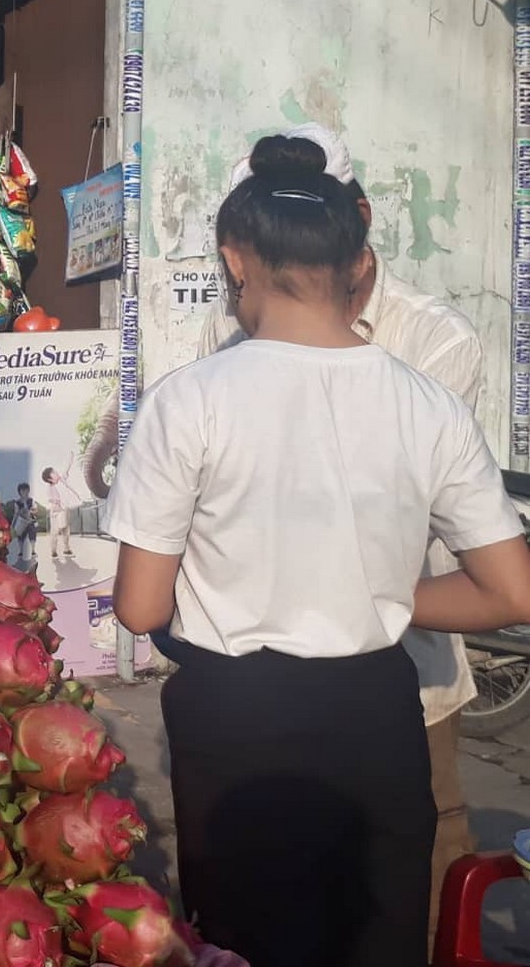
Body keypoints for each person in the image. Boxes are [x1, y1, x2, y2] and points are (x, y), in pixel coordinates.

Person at [105, 135, 530, 967]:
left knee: (249, 943)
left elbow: (140, 608)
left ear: (236, 258)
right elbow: (513, 590)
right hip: (377, 713)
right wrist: (388, 594)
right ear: (354, 259)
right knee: (378, 937)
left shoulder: (188, 401)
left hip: (237, 727)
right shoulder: (427, 404)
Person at [196, 125, 486, 948]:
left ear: (353, 223)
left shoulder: (432, 345)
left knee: (405, 910)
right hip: (256, 703)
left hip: (406, 689)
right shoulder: (231, 341)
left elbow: (395, 513)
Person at [40, 458, 80, 561]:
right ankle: (53, 551)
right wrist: (57, 504)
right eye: (53, 472)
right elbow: (51, 500)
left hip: (64, 509)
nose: (56, 472)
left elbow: (66, 471)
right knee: (55, 532)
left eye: (54, 471)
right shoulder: (50, 488)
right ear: (49, 479)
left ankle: (66, 549)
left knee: (66, 529)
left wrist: (70, 461)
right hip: (56, 512)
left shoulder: (62, 481)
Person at [6, 483, 38, 569]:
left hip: (31, 521)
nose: (25, 492)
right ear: (19, 492)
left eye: (26, 490)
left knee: (32, 535)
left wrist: (31, 511)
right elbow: (16, 513)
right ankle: (21, 551)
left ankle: (33, 551)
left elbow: (35, 510)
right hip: (22, 522)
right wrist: (12, 525)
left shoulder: (31, 500)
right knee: (20, 537)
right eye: (23, 490)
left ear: (28, 490)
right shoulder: (17, 502)